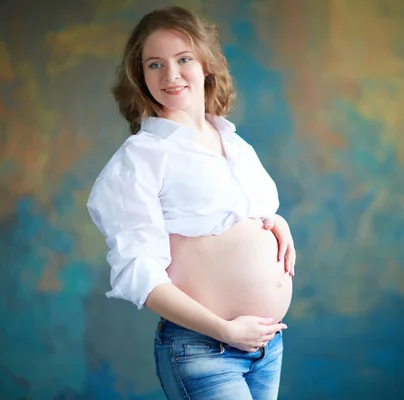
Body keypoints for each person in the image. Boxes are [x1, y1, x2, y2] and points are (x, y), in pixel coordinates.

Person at [86, 6, 296, 399]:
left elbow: (236, 215)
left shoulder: (233, 141)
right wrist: (225, 330)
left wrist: (273, 221)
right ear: (140, 76)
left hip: (267, 347)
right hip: (204, 348)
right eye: (154, 64)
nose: (171, 75)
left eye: (183, 58)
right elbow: (141, 278)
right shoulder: (139, 158)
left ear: (207, 65)